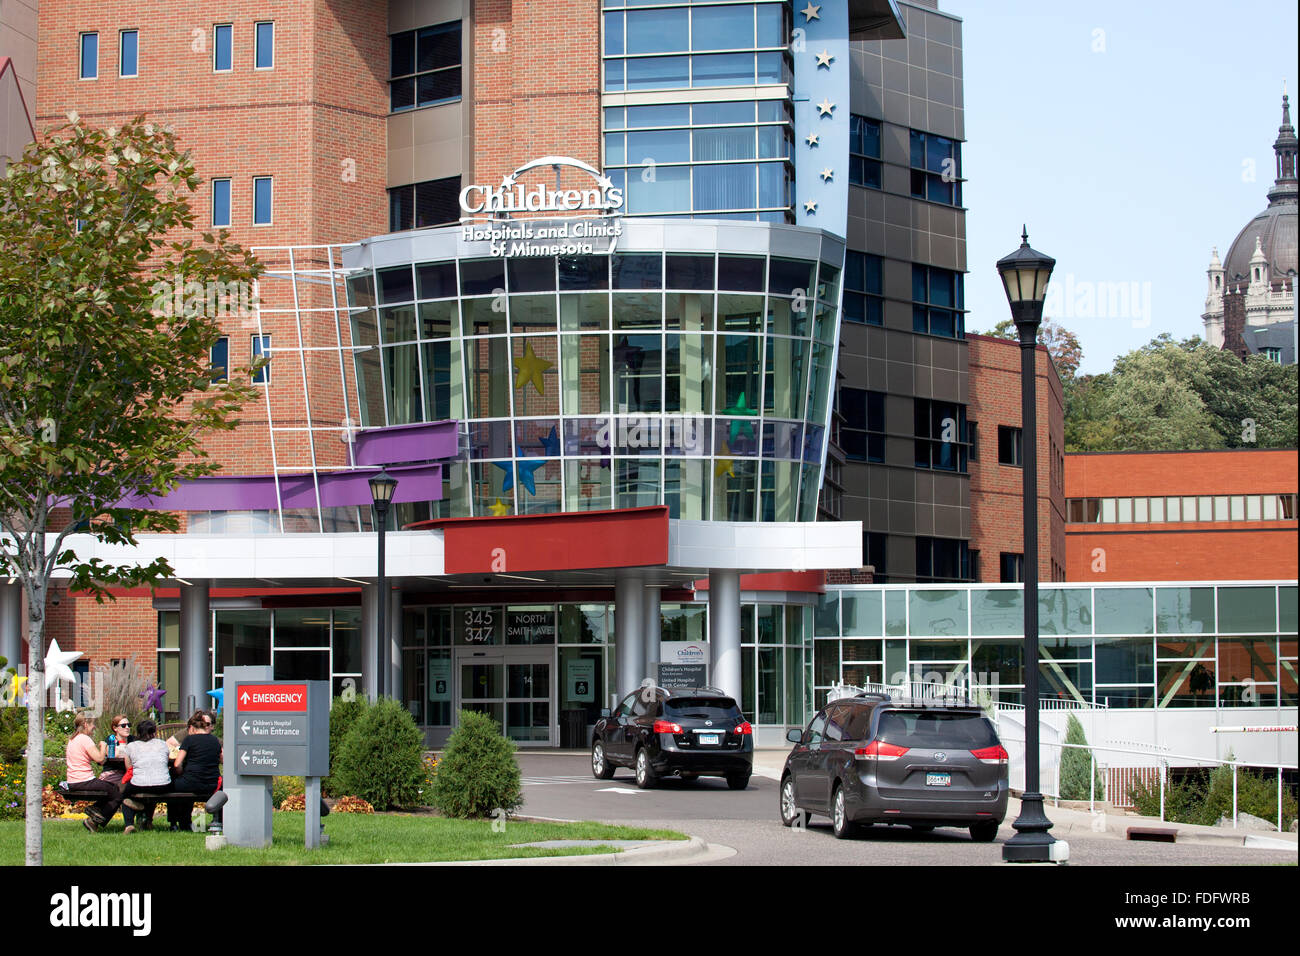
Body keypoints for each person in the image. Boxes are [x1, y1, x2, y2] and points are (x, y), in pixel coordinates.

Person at [64, 712, 123, 833]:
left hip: (73, 781)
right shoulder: (85, 739)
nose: (94, 727)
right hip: (84, 781)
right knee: (117, 792)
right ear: (85, 724)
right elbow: (100, 760)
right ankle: (94, 818)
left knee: (110, 789)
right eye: (93, 724)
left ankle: (95, 813)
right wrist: (103, 746)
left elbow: (91, 757)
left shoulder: (73, 739)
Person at [164, 712, 222, 831]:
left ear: (193, 728)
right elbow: (223, 759)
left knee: (171, 783)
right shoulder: (215, 741)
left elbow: (177, 764)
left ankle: (174, 822)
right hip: (211, 784)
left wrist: (180, 772)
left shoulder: (189, 740)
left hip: (191, 783)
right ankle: (217, 820)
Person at [119, 719, 173, 833]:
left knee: (124, 794)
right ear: (154, 732)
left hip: (139, 783)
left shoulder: (131, 746)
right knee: (154, 788)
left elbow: (129, 768)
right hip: (163, 784)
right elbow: (166, 762)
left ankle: (129, 824)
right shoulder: (162, 744)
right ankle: (148, 820)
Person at [96, 714, 137, 830]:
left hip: (128, 774)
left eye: (129, 725)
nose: (127, 728)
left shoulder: (133, 740)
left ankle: (97, 816)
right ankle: (98, 817)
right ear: (115, 728)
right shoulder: (111, 740)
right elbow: (112, 754)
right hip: (112, 774)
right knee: (124, 788)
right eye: (123, 725)